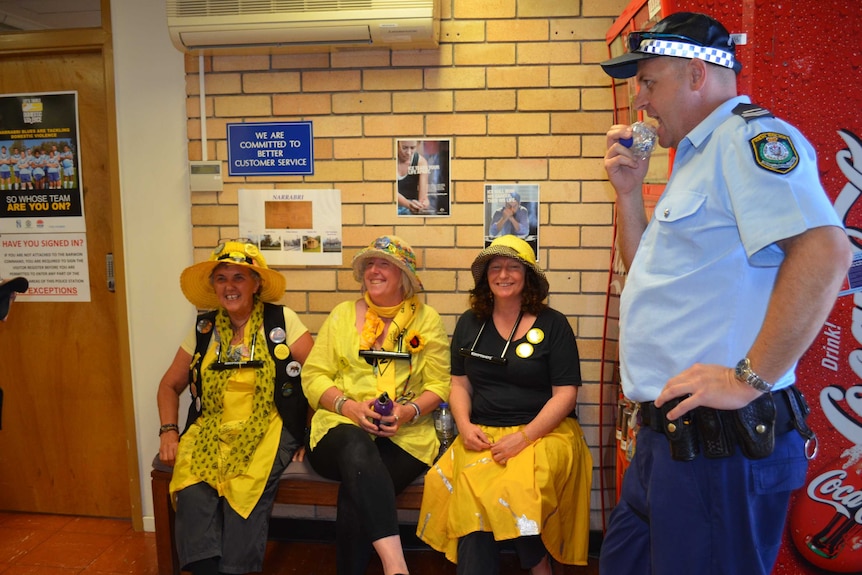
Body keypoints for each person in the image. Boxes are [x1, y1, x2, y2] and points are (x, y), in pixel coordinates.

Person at [598, 12, 852, 575]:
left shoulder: (749, 139)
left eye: (648, 81)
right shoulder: (693, 156)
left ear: (695, 74)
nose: (639, 100)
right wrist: (630, 195)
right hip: (664, 441)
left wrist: (747, 379)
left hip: (717, 448)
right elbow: (648, 276)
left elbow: (826, 252)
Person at [417, 235, 593, 575]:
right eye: (495, 267)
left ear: (528, 277)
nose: (503, 274)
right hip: (482, 432)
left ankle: (538, 564)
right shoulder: (470, 322)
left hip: (546, 433)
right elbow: (458, 384)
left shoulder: (553, 324)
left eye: (513, 267)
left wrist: (524, 438)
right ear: (485, 278)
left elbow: (565, 395)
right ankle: (536, 563)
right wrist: (465, 427)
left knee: (511, 487)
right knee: (462, 487)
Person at [157, 241, 314, 575]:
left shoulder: (282, 321)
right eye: (221, 278)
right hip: (210, 426)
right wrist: (169, 431)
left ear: (256, 284)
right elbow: (169, 385)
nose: (229, 286)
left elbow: (318, 378)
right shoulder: (204, 329)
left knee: (245, 487)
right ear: (214, 286)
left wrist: (308, 434)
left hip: (269, 425)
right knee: (192, 485)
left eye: (239, 278)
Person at [301, 235, 450, 575]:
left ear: (404, 276)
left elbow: (440, 385)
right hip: (338, 431)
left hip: (406, 437)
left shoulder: (426, 321)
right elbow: (313, 376)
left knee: (358, 489)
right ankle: (396, 565)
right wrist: (348, 407)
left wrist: (407, 412)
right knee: (355, 447)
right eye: (369, 264)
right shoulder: (341, 316)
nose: (374, 270)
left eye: (384, 263)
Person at [397, 140, 430, 215]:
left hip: (411, 206)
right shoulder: (388, 159)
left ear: (418, 146)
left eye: (412, 148)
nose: (408, 153)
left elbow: (423, 196)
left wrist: (422, 204)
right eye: (404, 148)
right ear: (397, 145)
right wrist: (408, 204)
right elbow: (389, 191)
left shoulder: (421, 162)